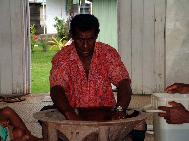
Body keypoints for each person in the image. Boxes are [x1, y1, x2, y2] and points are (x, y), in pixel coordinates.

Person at [49, 14, 146, 140]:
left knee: (140, 124)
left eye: (90, 39)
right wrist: (69, 113)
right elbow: (56, 88)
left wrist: (120, 109)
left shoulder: (107, 53)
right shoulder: (62, 57)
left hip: (106, 114)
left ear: (96, 35)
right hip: (75, 114)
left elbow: (123, 83)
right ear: (72, 36)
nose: (85, 45)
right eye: (80, 39)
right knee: (49, 119)